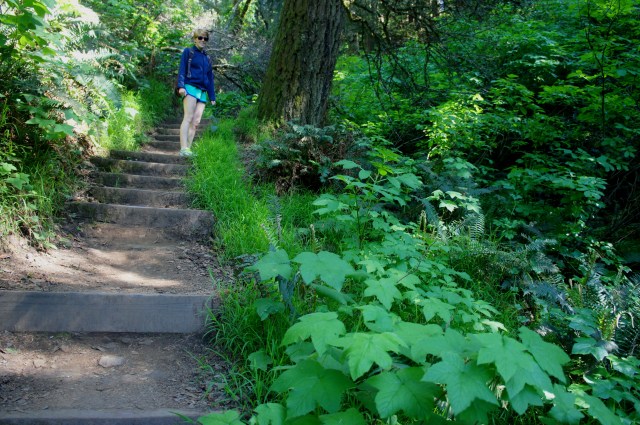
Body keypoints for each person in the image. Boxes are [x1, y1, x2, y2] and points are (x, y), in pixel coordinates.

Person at [175, 28, 216, 157]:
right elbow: (182, 69)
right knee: (188, 117)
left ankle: (188, 149)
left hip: (202, 92)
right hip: (190, 87)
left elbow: (210, 78)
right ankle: (183, 148)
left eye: (205, 38)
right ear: (195, 39)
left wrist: (212, 96)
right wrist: (180, 86)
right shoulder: (189, 52)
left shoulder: (207, 58)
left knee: (196, 122)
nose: (203, 40)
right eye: (200, 38)